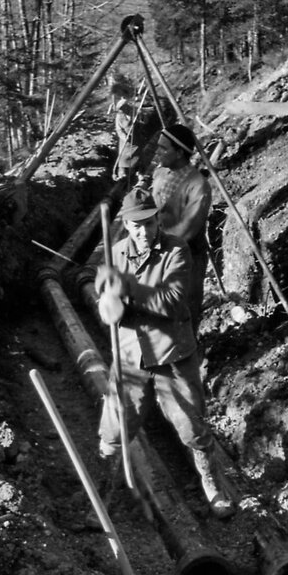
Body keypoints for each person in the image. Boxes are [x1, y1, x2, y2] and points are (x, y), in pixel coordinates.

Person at [94, 187, 235, 519]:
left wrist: (127, 289)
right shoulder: (115, 254)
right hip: (130, 355)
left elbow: (171, 301)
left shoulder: (177, 250)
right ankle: (104, 491)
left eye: (148, 223)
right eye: (135, 225)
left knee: (191, 425)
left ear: (157, 219)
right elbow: (105, 301)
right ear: (125, 225)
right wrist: (108, 303)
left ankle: (213, 484)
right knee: (114, 428)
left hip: (171, 353)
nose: (143, 232)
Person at [151, 124, 211, 334]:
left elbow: (188, 229)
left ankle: (188, 354)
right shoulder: (160, 174)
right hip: (159, 253)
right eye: (158, 147)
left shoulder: (198, 186)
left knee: (185, 306)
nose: (157, 152)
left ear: (179, 153)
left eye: (163, 149)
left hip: (187, 257)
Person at [110, 77, 140, 183]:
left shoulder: (133, 112)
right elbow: (118, 130)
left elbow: (142, 120)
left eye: (125, 108)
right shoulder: (119, 117)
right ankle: (121, 176)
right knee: (123, 161)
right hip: (125, 142)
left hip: (135, 141)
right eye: (122, 109)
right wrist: (125, 137)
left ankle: (134, 176)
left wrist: (139, 118)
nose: (124, 110)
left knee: (135, 160)